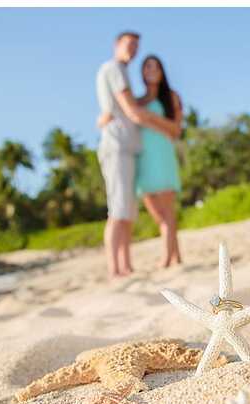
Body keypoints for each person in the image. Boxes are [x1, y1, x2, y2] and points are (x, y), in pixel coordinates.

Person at [95, 31, 179, 279]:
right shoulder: (114, 69)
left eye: (136, 46)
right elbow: (132, 111)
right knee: (119, 210)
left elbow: (130, 107)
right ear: (116, 44)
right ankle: (115, 268)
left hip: (129, 150)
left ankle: (126, 266)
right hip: (118, 147)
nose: (132, 49)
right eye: (129, 44)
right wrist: (162, 125)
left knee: (127, 211)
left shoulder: (123, 74)